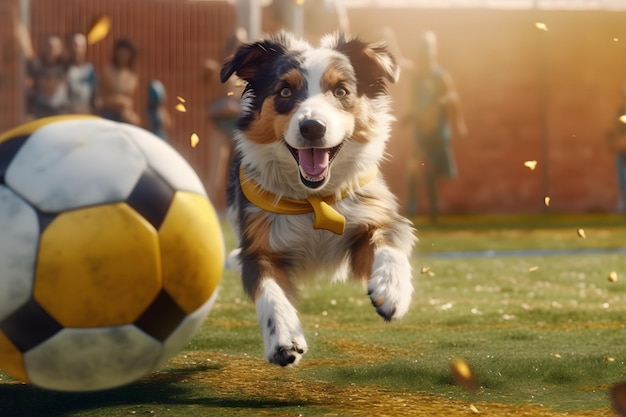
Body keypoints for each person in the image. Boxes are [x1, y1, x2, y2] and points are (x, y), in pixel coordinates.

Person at [406, 31, 467, 222]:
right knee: (414, 169)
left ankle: (433, 212)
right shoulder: (416, 76)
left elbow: (453, 98)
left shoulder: (440, 75)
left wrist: (459, 123)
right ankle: (411, 208)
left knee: (431, 171)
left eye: (428, 47)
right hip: (421, 132)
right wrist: (409, 116)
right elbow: (414, 103)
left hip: (437, 132)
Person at [15, 21, 69, 119]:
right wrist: (21, 30)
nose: (50, 50)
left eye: (53, 47)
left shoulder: (65, 66)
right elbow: (27, 51)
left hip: (60, 113)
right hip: (40, 113)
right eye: (48, 46)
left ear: (60, 49)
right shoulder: (37, 66)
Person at [98, 38, 140, 125]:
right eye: (121, 52)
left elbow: (130, 100)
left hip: (125, 115)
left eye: (126, 52)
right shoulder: (108, 71)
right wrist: (118, 102)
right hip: (108, 113)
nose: (123, 55)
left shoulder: (132, 76)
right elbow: (100, 97)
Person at [65, 33, 97, 114]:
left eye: (81, 46)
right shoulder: (63, 69)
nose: (77, 49)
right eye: (75, 45)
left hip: (85, 116)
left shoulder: (90, 70)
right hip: (66, 116)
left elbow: (94, 97)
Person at [607, 86, 626, 212]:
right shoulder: (620, 112)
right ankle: (624, 201)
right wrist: (616, 142)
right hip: (622, 153)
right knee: (623, 178)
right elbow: (612, 132)